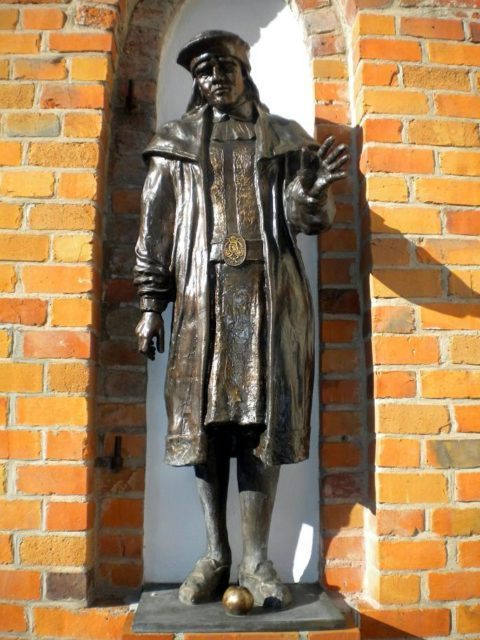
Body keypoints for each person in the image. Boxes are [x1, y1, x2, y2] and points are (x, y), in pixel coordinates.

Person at [134, 30, 349, 609]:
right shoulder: (176, 145)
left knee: (260, 426)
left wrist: (311, 190)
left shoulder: (282, 140)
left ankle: (256, 560)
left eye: (224, 68)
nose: (214, 80)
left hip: (268, 296)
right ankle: (215, 553)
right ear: (197, 84)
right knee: (206, 428)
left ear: (243, 72)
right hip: (203, 302)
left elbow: (308, 218)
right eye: (203, 73)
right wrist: (152, 304)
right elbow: (154, 229)